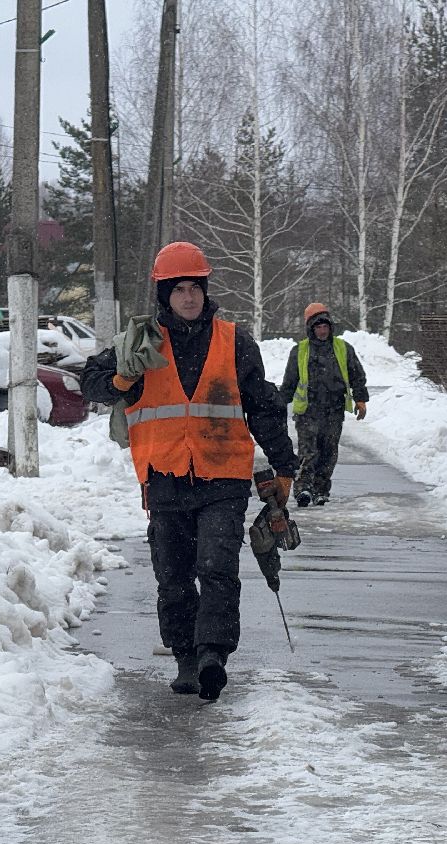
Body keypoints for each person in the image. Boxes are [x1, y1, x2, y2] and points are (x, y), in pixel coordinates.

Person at [81, 241, 297, 701]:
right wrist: (121, 379)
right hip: (164, 475)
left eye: (194, 287)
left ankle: (212, 655)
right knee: (174, 574)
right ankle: (184, 656)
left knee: (217, 566)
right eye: (178, 289)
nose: (188, 297)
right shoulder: (137, 344)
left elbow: (264, 407)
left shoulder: (233, 341)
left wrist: (284, 465)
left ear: (205, 290)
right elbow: (91, 383)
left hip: (223, 475)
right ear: (164, 294)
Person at [280, 303, 368, 507]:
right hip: (308, 411)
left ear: (330, 327)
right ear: (311, 328)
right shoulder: (300, 351)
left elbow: (357, 376)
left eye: (325, 326)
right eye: (318, 327)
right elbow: (289, 383)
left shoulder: (343, 348)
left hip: (334, 410)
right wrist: (278, 405)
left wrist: (360, 399)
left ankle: (321, 489)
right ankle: (303, 489)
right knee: (307, 452)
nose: (322, 330)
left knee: (328, 452)